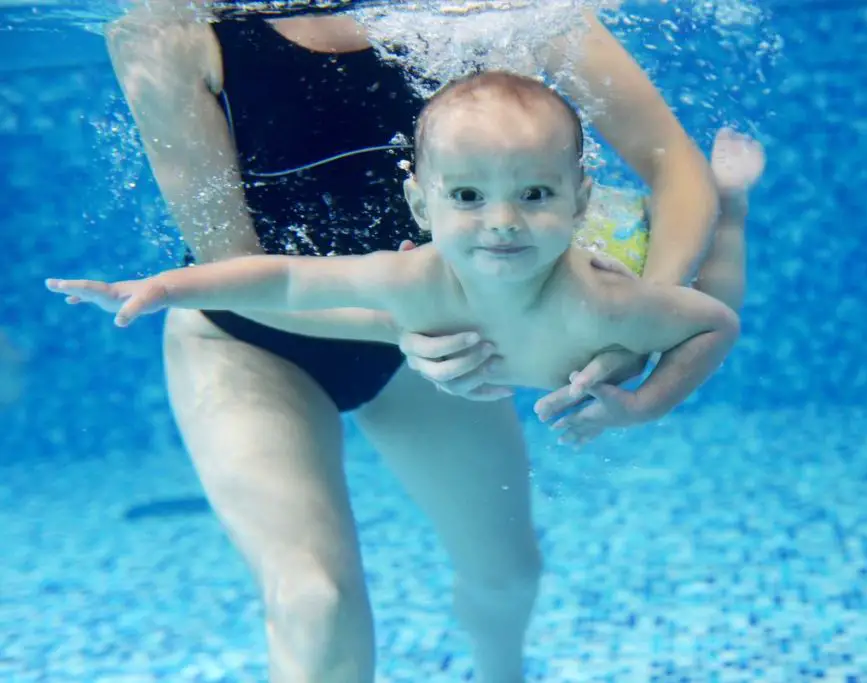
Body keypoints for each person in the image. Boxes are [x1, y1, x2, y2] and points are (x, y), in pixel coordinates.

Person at [97, 3, 730, 681]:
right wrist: (401, 324)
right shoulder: (166, 29)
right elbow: (236, 272)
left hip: (442, 329)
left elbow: (674, 165)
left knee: (508, 576)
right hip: (251, 341)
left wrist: (636, 318)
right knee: (313, 598)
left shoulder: (501, 7)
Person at [48, 71, 761, 436]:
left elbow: (715, 325)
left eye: (536, 194)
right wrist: (168, 286)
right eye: (469, 198)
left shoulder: (609, 299)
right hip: (561, 243)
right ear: (422, 207)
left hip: (615, 247)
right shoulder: (412, 273)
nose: (501, 224)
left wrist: (644, 403)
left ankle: (733, 202)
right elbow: (289, 279)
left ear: (575, 199)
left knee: (714, 289)